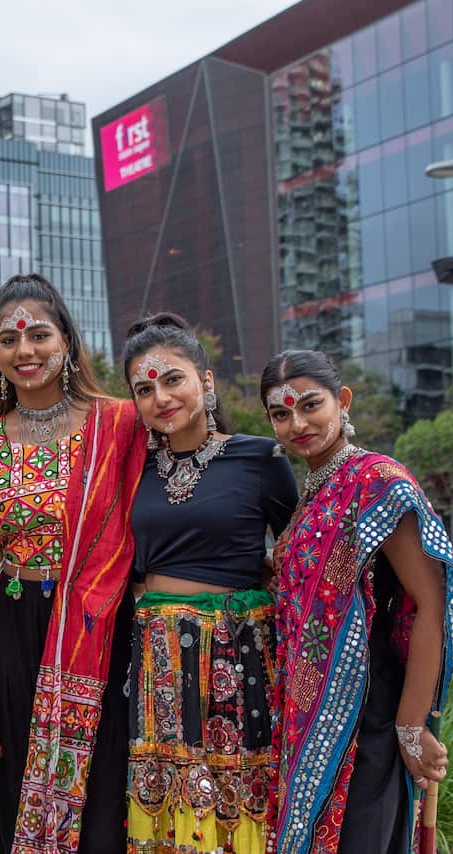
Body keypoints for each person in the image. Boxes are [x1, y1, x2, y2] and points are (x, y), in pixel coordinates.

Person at [0, 274, 146, 853]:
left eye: (38, 334)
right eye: (9, 340)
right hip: (16, 623)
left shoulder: (120, 424)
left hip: (100, 621)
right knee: (18, 774)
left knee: (105, 773)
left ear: (66, 340)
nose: (26, 351)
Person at [260, 350, 453, 853]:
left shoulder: (377, 481)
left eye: (310, 405)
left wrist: (412, 728)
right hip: (304, 715)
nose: (297, 423)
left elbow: (431, 601)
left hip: (365, 715)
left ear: (342, 401)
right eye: (281, 414)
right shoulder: (314, 493)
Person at [120, 314, 298, 853]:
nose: (160, 397)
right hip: (158, 658)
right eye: (144, 389)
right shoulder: (128, 469)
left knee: (237, 792)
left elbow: (296, 555)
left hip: (237, 653)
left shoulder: (260, 458)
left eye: (173, 379)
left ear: (207, 381)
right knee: (165, 798)